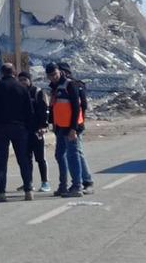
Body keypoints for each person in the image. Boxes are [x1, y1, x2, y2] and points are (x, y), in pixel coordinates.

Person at [0, 63, 34, 203]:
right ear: (15, 72)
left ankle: (1, 192)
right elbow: (29, 111)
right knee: (23, 160)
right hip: (20, 128)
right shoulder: (22, 88)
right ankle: (28, 190)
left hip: (1, 128)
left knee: (2, 160)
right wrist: (29, 128)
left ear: (2, 73)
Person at [46, 63, 84, 198]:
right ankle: (63, 185)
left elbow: (76, 108)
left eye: (54, 74)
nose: (53, 77)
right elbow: (54, 108)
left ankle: (77, 186)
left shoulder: (70, 85)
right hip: (60, 127)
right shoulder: (55, 88)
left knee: (72, 156)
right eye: (50, 76)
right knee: (60, 155)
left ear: (59, 72)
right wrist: (52, 123)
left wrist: (73, 128)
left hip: (70, 128)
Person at [58, 62, 94, 194]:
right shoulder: (60, 86)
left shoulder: (74, 85)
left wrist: (77, 125)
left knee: (76, 153)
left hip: (74, 125)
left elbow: (81, 106)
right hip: (63, 125)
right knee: (70, 153)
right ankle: (75, 182)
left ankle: (86, 181)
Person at [18, 71, 51, 193]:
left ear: (29, 80)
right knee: (26, 159)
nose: (22, 82)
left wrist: (44, 126)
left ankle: (45, 182)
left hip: (37, 131)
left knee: (40, 158)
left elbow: (44, 110)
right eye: (20, 80)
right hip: (23, 131)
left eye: (24, 80)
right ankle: (28, 182)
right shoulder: (19, 93)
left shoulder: (37, 92)